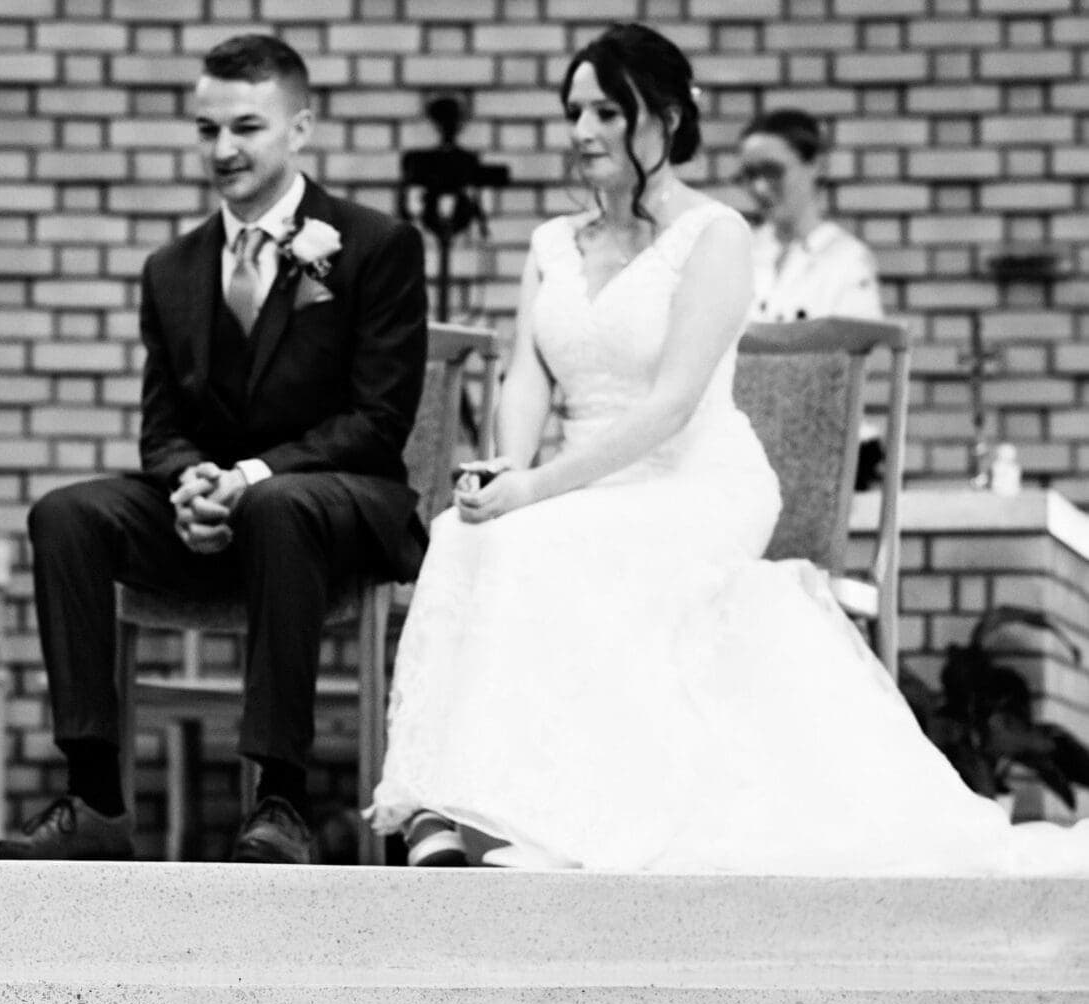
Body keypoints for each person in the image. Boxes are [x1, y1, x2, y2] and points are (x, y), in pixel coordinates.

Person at [368, 23, 1089, 875]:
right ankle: (446, 811)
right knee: (466, 530)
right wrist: (509, 465)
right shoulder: (549, 244)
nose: (584, 131)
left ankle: (537, 816)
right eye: (574, 111)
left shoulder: (716, 236)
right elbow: (526, 375)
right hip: (577, 477)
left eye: (608, 109)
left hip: (693, 481)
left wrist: (541, 490)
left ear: (665, 118)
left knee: (545, 538)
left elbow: (673, 404)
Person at [0, 33, 428, 866]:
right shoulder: (172, 269)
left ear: (300, 129)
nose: (222, 149)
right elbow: (160, 427)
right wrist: (189, 481)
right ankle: (96, 799)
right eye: (206, 129)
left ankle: (281, 799)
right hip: (223, 511)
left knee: (280, 503)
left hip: (338, 506)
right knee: (68, 515)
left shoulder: (376, 245)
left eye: (246, 127)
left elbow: (379, 421)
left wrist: (252, 476)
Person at [738, 107, 881, 323]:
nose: (760, 188)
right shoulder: (740, 253)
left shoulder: (847, 259)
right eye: (750, 174)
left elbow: (858, 348)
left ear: (817, 166)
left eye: (772, 171)